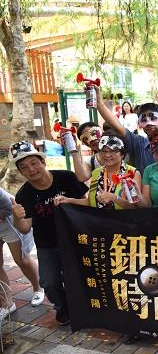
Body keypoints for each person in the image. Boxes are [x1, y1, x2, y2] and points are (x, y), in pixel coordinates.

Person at [11, 141, 88, 325]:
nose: (31, 169)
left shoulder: (67, 177)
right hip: (47, 244)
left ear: (43, 162)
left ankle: (83, 308)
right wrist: (17, 217)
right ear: (21, 172)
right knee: (49, 282)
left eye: (34, 163)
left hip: (74, 237)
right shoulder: (24, 195)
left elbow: (87, 204)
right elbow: (25, 228)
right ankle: (63, 308)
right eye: (24, 167)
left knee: (78, 276)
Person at [55, 133, 143, 210]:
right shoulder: (96, 173)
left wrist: (114, 198)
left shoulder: (132, 173)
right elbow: (91, 202)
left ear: (122, 153)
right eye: (104, 151)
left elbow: (135, 207)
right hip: (99, 221)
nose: (107, 155)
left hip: (123, 222)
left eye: (113, 151)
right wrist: (68, 200)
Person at [93, 85, 158, 173]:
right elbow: (117, 126)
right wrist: (99, 104)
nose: (149, 123)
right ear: (139, 122)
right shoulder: (138, 143)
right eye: (144, 120)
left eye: (154, 118)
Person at [0, 188, 43, 320]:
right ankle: (7, 304)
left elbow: (12, 207)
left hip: (9, 225)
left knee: (21, 260)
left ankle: (38, 288)